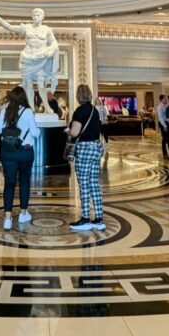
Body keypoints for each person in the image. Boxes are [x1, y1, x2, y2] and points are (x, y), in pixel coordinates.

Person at [0, 85, 39, 229]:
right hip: (25, 152)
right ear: (24, 97)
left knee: (9, 184)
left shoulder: (5, 110)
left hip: (8, 152)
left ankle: (7, 218)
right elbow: (35, 133)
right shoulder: (29, 112)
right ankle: (23, 213)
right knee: (24, 182)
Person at [67, 84, 105, 230]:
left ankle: (85, 218)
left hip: (84, 149)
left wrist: (68, 132)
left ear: (78, 96)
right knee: (94, 183)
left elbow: (75, 132)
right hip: (96, 147)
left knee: (83, 184)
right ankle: (99, 218)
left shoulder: (80, 111)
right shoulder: (94, 110)